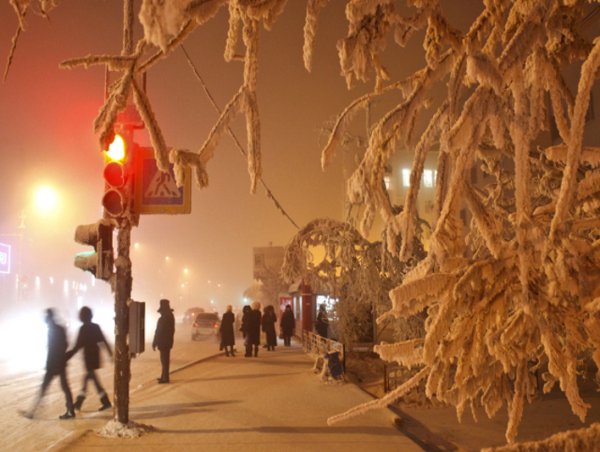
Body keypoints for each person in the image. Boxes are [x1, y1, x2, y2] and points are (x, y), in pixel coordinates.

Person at [22, 309, 75, 420]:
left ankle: (32, 411)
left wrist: (54, 359)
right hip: (59, 362)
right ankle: (70, 410)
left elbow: (54, 347)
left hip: (54, 363)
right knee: (64, 387)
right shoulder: (59, 328)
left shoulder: (54, 330)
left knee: (46, 387)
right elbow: (65, 344)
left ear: (48, 318)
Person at [66, 306, 113, 412]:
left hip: (88, 358)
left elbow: (77, 346)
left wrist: (67, 356)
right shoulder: (95, 327)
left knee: (92, 378)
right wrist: (110, 353)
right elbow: (103, 340)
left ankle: (102, 401)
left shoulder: (83, 329)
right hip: (94, 356)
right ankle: (81, 402)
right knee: (89, 378)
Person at [152, 299, 175, 383]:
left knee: (164, 361)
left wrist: (155, 342)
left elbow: (158, 331)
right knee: (165, 361)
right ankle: (164, 376)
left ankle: (165, 378)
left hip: (163, 342)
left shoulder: (164, 318)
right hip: (167, 342)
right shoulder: (170, 316)